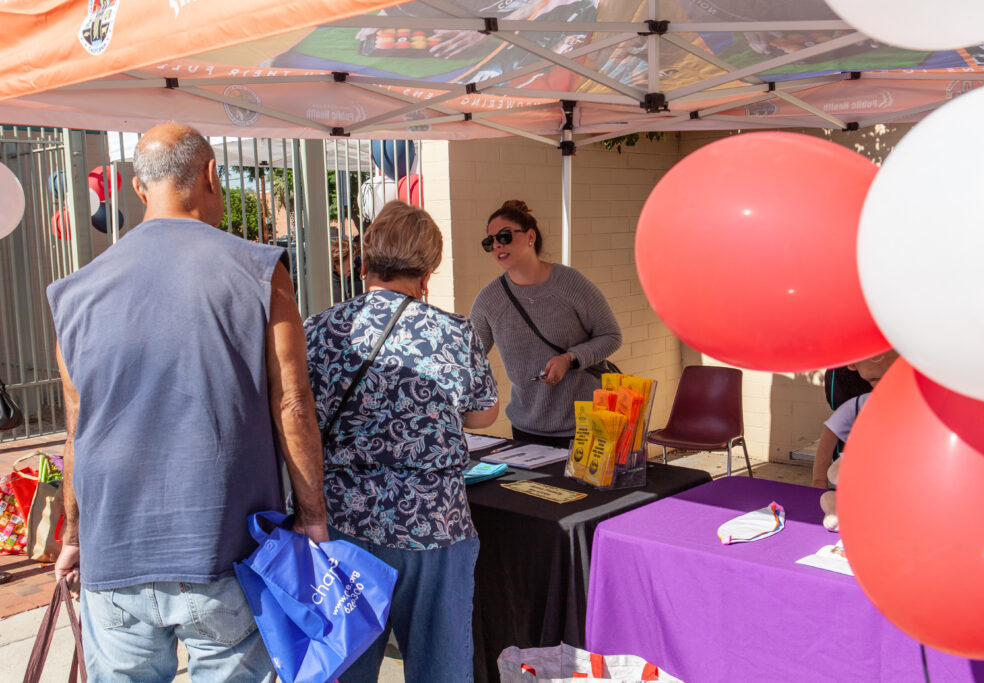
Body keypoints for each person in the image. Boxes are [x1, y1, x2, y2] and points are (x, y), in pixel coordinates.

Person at [46, 123, 328, 682]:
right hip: (222, 547)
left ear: (137, 187)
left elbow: (76, 430)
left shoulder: (73, 291)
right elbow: (293, 404)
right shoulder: (258, 270)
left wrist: (74, 536)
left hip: (114, 548)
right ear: (210, 175)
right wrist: (314, 517)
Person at [305, 200, 499, 682]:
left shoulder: (322, 330)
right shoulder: (455, 333)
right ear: (428, 269)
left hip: (345, 525)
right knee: (440, 670)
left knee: (344, 668)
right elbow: (484, 412)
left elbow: (295, 415)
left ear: (365, 263)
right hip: (435, 524)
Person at [470, 199, 621, 448]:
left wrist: (570, 358)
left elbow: (611, 335)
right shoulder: (489, 300)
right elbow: (468, 357)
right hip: (526, 429)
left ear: (530, 236)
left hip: (586, 426)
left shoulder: (570, 283)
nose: (497, 244)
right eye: (490, 241)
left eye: (504, 236)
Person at [811, 350, 900, 489]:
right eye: (874, 379)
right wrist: (819, 480)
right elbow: (828, 438)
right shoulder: (858, 405)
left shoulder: (917, 404)